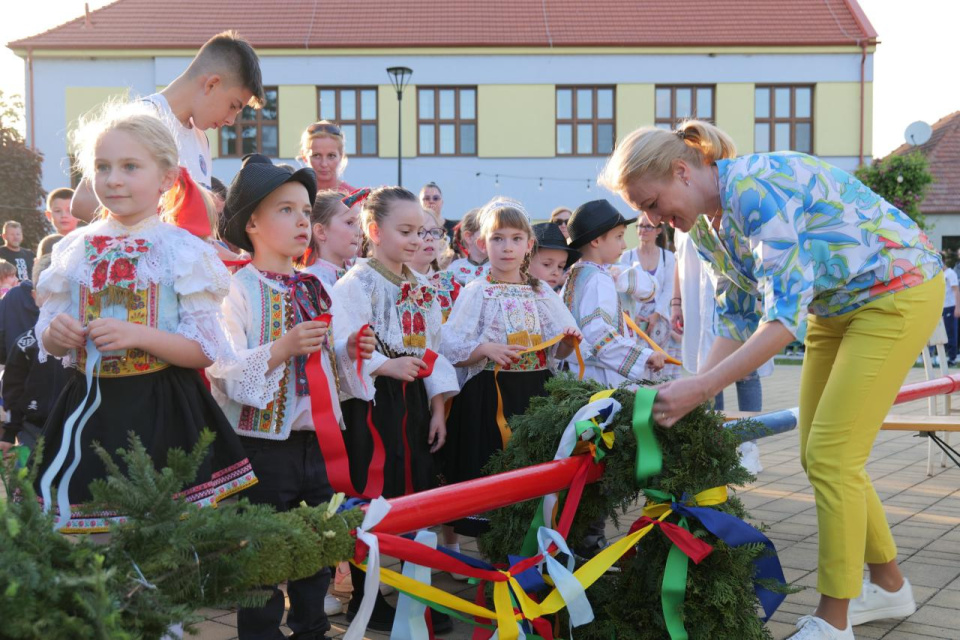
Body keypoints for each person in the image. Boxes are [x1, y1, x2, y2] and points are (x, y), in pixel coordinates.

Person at [601, 120, 944, 640]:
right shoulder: (709, 229)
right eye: (644, 212)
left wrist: (702, 388)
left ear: (680, 171)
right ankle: (891, 586)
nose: (652, 219)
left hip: (897, 291)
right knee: (820, 452)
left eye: (651, 203)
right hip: (837, 308)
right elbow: (736, 320)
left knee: (832, 457)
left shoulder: (754, 187)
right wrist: (696, 387)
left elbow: (782, 322)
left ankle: (835, 621)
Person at [32, 102, 256, 533]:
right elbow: (47, 328)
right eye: (102, 167)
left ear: (166, 178)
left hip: (161, 411)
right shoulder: (74, 249)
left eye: (130, 166)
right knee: (85, 536)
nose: (113, 179)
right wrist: (56, 335)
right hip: (87, 409)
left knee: (159, 539)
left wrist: (138, 334)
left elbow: (204, 350)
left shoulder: (183, 251)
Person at [209, 159, 375, 640]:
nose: (303, 220)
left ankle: (311, 628)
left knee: (317, 548)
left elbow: (337, 363)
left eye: (305, 210)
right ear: (252, 223)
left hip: (321, 441)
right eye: (286, 210)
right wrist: (281, 348)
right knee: (260, 553)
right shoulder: (235, 289)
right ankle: (259, 634)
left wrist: (350, 350)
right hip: (262, 447)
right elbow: (225, 370)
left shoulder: (319, 286)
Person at [333, 186, 459, 632]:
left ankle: (412, 590)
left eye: (420, 231)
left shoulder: (420, 285)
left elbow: (435, 350)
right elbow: (343, 345)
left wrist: (439, 405)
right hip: (374, 404)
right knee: (377, 490)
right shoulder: (356, 283)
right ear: (373, 230)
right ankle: (367, 596)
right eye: (404, 230)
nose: (414, 239)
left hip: (414, 402)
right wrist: (386, 364)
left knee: (416, 488)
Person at [441, 198, 580, 549]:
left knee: (528, 468)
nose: (507, 247)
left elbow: (558, 351)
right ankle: (471, 547)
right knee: (488, 466)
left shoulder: (542, 292)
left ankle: (520, 545)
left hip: (535, 390)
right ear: (483, 244)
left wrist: (567, 342)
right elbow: (451, 348)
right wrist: (484, 349)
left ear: (528, 245)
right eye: (498, 238)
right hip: (490, 394)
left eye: (516, 239)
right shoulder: (477, 291)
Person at [70, 31, 265, 224]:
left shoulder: (201, 138)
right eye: (233, 106)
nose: (231, 120)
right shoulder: (140, 119)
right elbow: (83, 202)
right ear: (212, 84)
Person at [561, 200, 666, 387]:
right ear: (596, 241)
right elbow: (598, 334)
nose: (624, 244)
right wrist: (644, 356)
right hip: (600, 377)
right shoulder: (599, 278)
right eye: (618, 236)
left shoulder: (575, 276)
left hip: (576, 373)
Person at [0, 255, 67, 455]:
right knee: (26, 481)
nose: (56, 300)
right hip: (33, 428)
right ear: (35, 295)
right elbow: (12, 390)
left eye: (64, 293)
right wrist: (9, 434)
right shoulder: (24, 344)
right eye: (49, 293)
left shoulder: (84, 343)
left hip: (75, 425)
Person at [618, 219, 681, 378]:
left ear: (658, 230)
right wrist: (632, 315)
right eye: (640, 226)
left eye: (648, 226)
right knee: (638, 363)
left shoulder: (667, 257)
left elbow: (668, 288)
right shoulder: (627, 256)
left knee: (659, 363)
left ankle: (659, 398)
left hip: (658, 316)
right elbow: (623, 288)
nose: (643, 230)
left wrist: (656, 314)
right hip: (636, 317)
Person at [304, 190, 364, 287]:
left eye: (360, 225)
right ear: (321, 231)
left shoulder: (361, 277)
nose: (360, 232)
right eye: (349, 222)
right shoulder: (310, 282)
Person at [409, 205, 459, 321]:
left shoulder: (451, 287)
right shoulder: (393, 284)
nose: (430, 237)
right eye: (421, 232)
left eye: (434, 231)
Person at [299, 121, 356, 195]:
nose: (324, 164)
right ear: (304, 156)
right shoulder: (294, 195)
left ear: (341, 156)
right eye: (317, 155)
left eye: (331, 156)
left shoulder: (354, 198)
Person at [528, 221, 580, 291]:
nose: (556, 273)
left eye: (560, 266)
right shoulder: (515, 298)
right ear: (525, 262)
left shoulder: (554, 299)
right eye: (546, 264)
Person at [448, 208, 489, 285]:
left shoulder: (500, 267)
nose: (492, 236)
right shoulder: (455, 268)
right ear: (469, 237)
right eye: (486, 231)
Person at [933, 251, 959, 366]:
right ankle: (942, 357)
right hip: (941, 308)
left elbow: (956, 291)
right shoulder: (939, 274)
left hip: (950, 307)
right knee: (940, 333)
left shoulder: (950, 273)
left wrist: (958, 307)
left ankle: (952, 358)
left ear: (941, 261)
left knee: (950, 332)